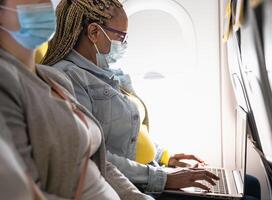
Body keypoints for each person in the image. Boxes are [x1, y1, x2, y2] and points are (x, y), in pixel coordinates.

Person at [42, 0, 221, 194]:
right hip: (131, 184)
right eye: (121, 36)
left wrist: (164, 157)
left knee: (247, 184)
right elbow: (94, 156)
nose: (124, 43)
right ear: (94, 32)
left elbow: (128, 135)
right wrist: (164, 178)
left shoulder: (106, 71)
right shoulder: (67, 78)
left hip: (148, 171)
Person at [0, 0, 154, 199]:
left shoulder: (52, 78)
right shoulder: (7, 81)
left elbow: (97, 160)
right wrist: (159, 179)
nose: (45, 4)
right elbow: (19, 192)